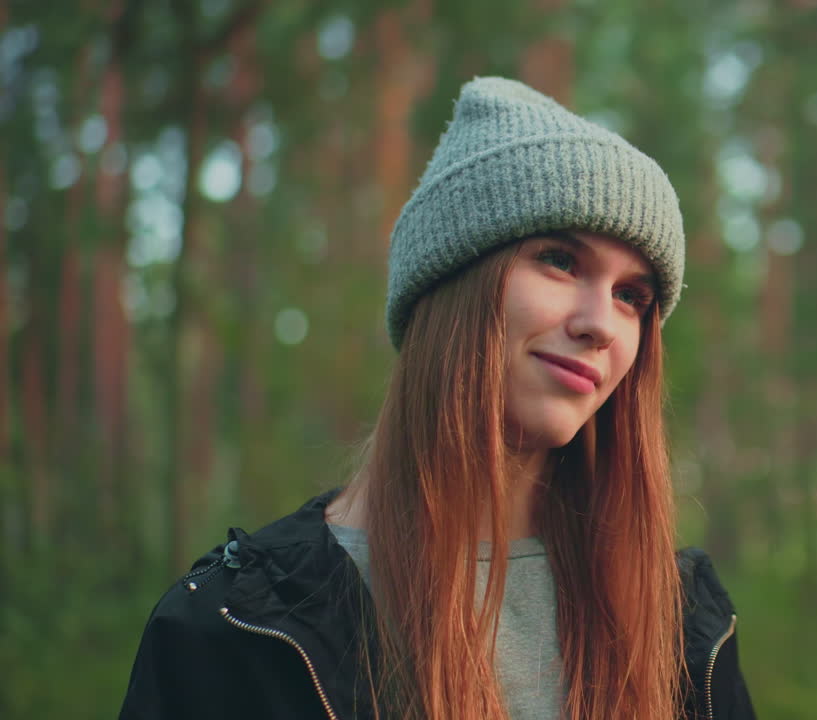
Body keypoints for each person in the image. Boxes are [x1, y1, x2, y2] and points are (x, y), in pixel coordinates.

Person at [118, 76, 755, 720]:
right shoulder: (237, 626)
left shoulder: (682, 618)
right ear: (449, 286)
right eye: (560, 260)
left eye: (632, 297)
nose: (602, 323)